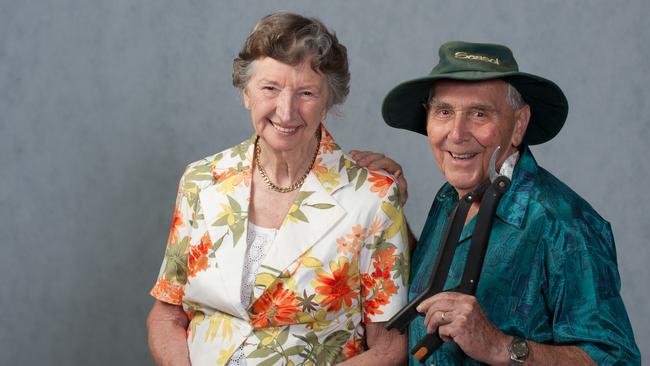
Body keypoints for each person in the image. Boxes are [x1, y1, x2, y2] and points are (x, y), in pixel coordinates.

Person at [146, 12, 409, 366]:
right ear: (246, 93)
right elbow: (165, 316)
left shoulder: (372, 196)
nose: (286, 111)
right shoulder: (202, 181)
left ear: (328, 102)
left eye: (306, 93)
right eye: (270, 88)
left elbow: (390, 347)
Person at [353, 41, 640, 365]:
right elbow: (433, 284)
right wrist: (390, 214)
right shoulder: (451, 197)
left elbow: (617, 359)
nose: (457, 134)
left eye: (479, 114)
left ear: (518, 125)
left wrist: (501, 346)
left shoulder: (561, 223)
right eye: (444, 112)